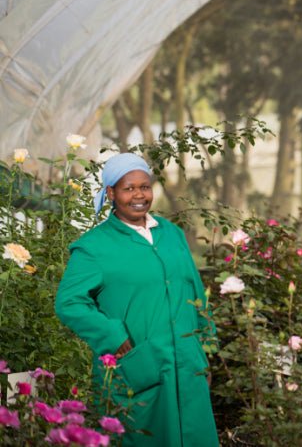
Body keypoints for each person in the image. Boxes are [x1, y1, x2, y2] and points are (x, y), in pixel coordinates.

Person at [55, 153, 218, 446]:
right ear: (111, 193)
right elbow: (69, 302)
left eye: (144, 187)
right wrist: (111, 335)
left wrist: (205, 348)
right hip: (136, 366)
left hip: (188, 363)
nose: (139, 195)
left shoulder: (172, 234)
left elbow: (194, 291)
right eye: (128, 188)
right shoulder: (94, 247)